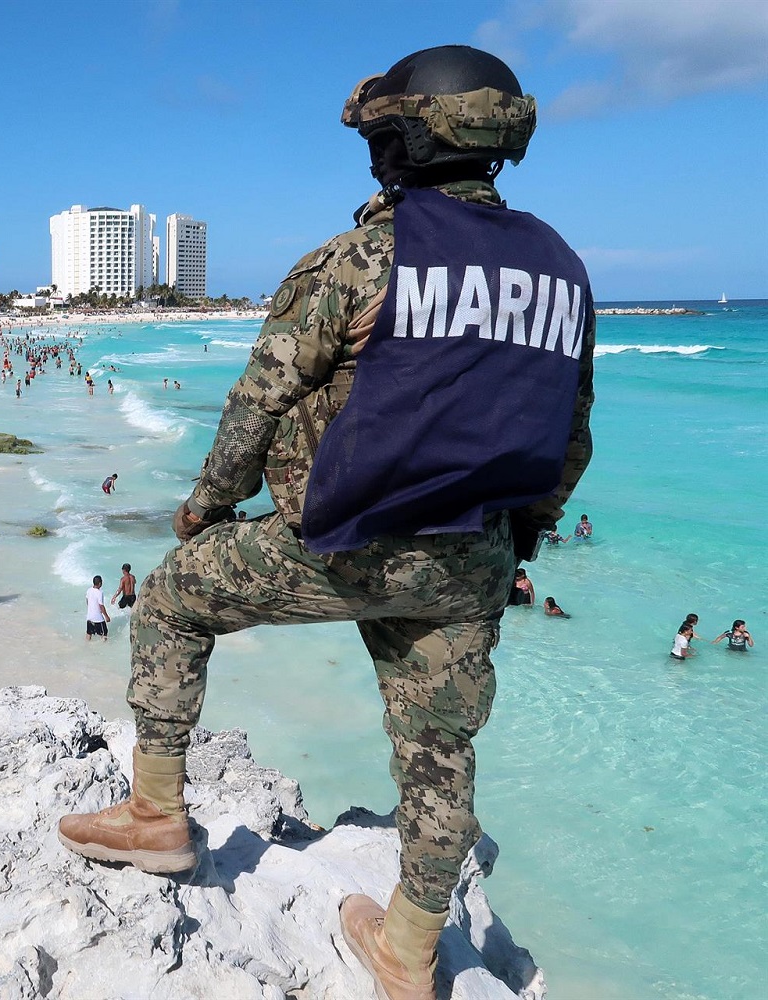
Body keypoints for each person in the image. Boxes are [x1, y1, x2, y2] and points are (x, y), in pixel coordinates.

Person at [54, 46, 594, 1000]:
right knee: (439, 750)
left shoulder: (358, 258)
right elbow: (570, 437)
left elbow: (257, 409)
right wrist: (521, 539)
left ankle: (157, 815)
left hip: (343, 542)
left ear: (400, 138)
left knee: (176, 601)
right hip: (472, 557)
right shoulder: (562, 270)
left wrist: (207, 510)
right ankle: (409, 952)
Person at [85, 576, 111, 641]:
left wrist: (92, 608)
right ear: (99, 583)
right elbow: (101, 605)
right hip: (98, 618)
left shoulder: (89, 590)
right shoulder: (100, 592)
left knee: (89, 633)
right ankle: (104, 648)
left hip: (89, 617)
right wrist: (106, 616)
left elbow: (87, 601)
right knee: (104, 633)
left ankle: (86, 647)